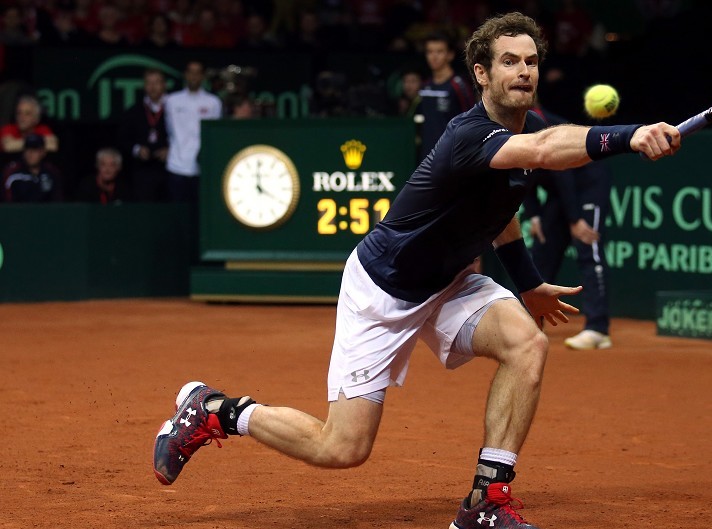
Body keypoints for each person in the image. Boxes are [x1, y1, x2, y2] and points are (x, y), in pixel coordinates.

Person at [152, 12, 679, 529]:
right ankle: (216, 411)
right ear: (481, 73)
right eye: (510, 61)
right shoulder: (469, 135)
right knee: (341, 449)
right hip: (384, 290)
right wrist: (629, 136)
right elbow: (543, 151)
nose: (524, 71)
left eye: (532, 62)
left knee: (527, 344)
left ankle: (485, 501)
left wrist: (530, 284)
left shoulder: (529, 125)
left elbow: (504, 213)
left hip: (449, 281)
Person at [522, 107, 613, 350]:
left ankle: (597, 328)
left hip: (586, 184)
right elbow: (518, 171)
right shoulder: (506, 126)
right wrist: (534, 216)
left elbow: (564, 174)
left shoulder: (543, 124)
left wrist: (575, 220)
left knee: (588, 249)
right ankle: (530, 321)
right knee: (543, 251)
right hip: (560, 192)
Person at [164, 60, 222, 202]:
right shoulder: (172, 101)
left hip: (203, 167)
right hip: (176, 166)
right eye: (191, 72)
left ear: (202, 76)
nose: (194, 76)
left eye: (197, 73)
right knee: (178, 212)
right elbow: (168, 129)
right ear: (185, 75)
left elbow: (214, 136)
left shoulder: (213, 102)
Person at [416, 31, 476, 160]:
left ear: (450, 55)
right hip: (426, 156)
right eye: (430, 52)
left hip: (452, 157)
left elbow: (472, 120)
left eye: (439, 52)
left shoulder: (458, 85)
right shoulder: (424, 87)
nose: (434, 57)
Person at [117, 68, 171, 202]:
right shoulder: (134, 111)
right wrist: (137, 149)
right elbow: (122, 138)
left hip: (170, 168)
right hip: (143, 170)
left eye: (157, 82)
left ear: (164, 85)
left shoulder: (175, 108)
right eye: (149, 83)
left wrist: (171, 150)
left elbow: (186, 134)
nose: (153, 87)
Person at [2, 133, 63, 203]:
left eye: (35, 150)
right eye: (27, 150)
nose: (30, 154)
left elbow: (58, 202)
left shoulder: (51, 172)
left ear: (43, 152)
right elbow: (7, 204)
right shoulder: (12, 172)